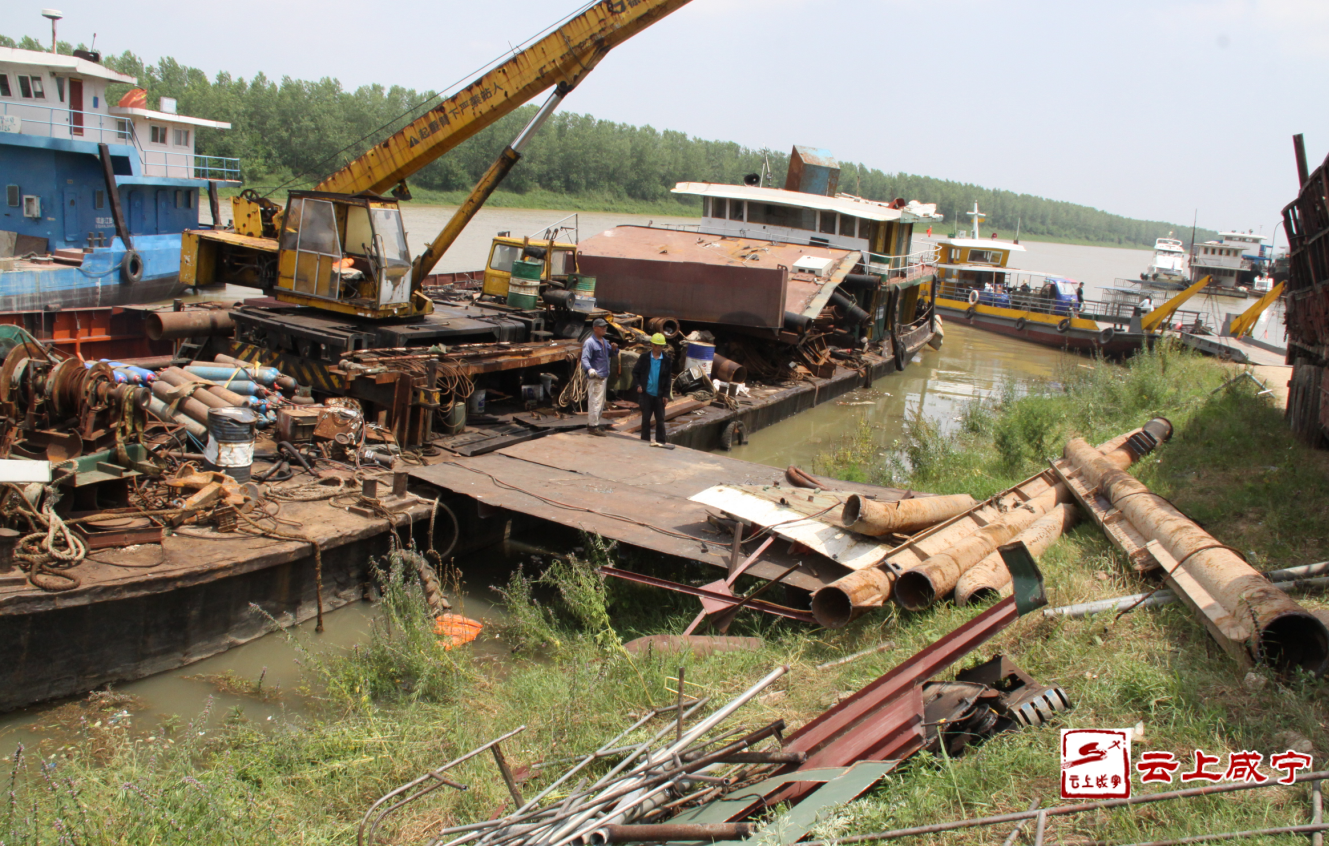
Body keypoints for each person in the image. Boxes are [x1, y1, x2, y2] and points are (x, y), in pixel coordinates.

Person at [632, 333, 673, 447]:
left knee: (660, 419)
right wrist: (638, 385)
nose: (658, 348)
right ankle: (645, 440)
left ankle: (660, 441)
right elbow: (635, 373)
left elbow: (668, 379)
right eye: (656, 345)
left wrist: (666, 395)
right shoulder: (644, 358)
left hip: (659, 395)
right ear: (652, 345)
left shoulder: (666, 360)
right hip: (646, 394)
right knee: (646, 419)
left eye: (661, 346)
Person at [581, 318, 618, 436]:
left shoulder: (604, 341)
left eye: (605, 327)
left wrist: (614, 349)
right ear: (595, 328)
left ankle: (594, 423)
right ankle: (593, 426)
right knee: (595, 401)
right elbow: (584, 358)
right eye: (602, 327)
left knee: (600, 402)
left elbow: (611, 354)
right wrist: (589, 369)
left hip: (603, 376)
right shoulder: (590, 342)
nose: (604, 328)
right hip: (596, 376)